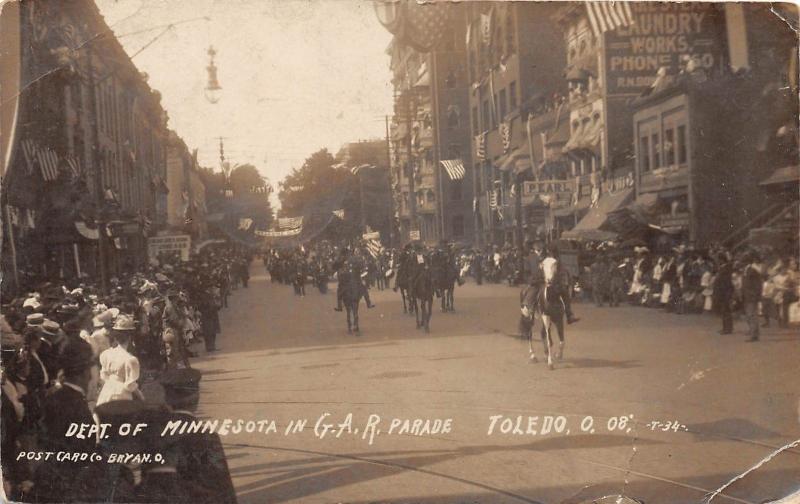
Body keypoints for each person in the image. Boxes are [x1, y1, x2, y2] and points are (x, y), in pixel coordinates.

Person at [33, 338, 99, 502]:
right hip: (66, 489)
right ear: (85, 373)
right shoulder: (79, 409)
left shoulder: (53, 398)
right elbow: (82, 456)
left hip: (46, 483)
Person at [97, 315, 145, 406]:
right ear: (130, 337)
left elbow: (103, 375)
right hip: (122, 394)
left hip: (107, 390)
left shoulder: (106, 354)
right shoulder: (130, 359)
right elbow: (130, 385)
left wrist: (111, 383)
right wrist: (141, 397)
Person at [741, 252, 763, 342]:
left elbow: (758, 284)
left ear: (747, 262)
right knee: (748, 314)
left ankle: (754, 335)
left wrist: (756, 295)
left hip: (751, 296)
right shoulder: (746, 270)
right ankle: (752, 331)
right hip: (746, 295)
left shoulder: (753, 271)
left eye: (744, 261)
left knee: (752, 315)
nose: (742, 262)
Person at [713, 252, 735, 334]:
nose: (717, 261)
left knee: (726, 310)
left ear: (721, 260)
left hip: (725, 292)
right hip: (722, 292)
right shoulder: (722, 268)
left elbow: (725, 282)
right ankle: (726, 327)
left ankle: (727, 328)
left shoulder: (726, 269)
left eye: (718, 259)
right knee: (724, 310)